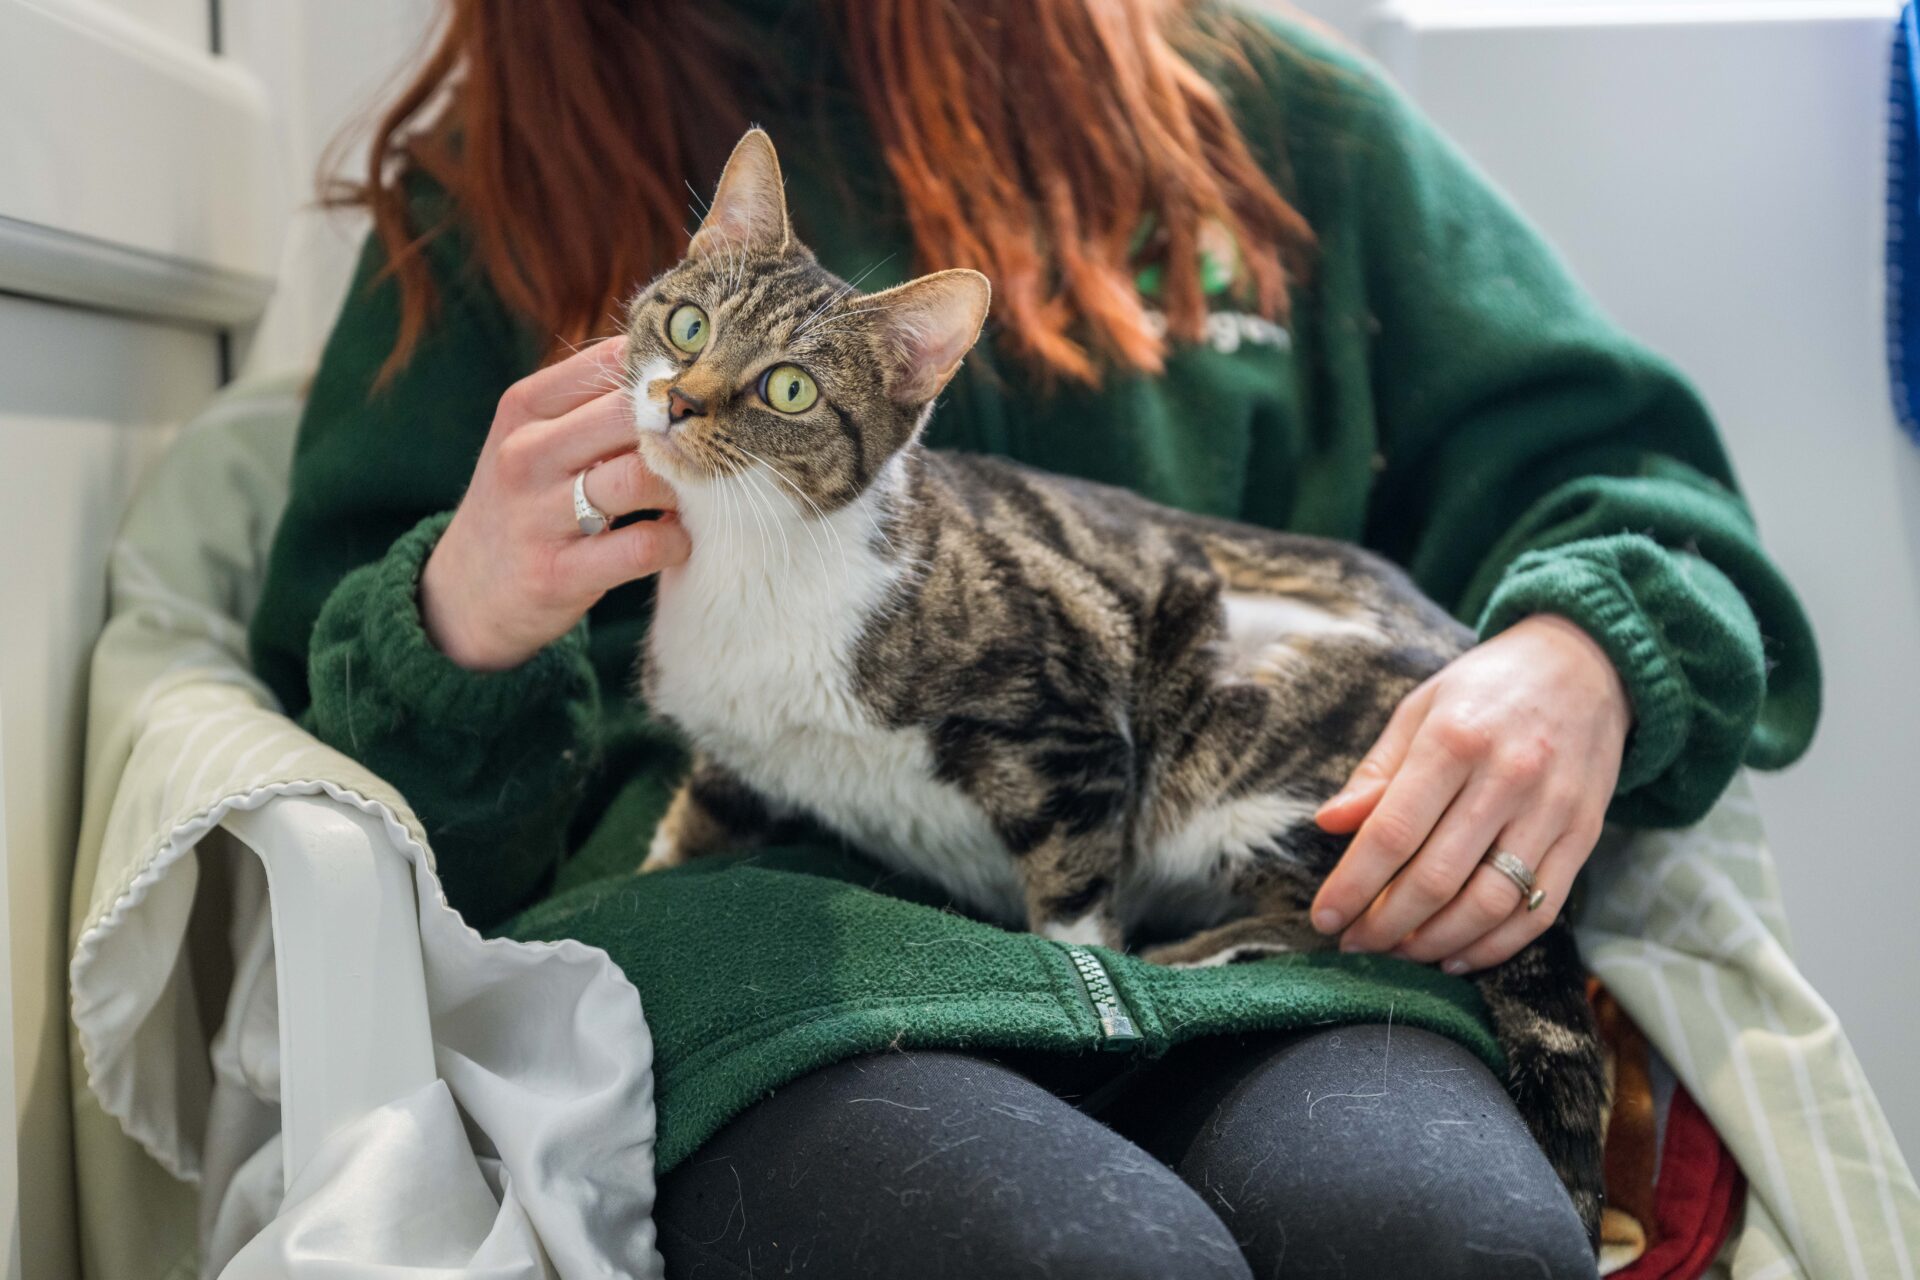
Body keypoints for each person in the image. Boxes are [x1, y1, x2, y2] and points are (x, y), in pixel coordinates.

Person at [248, 2, 1820, 1275]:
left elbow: (1641, 490)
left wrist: (1583, 654)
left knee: (1447, 1243)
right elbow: (330, 771)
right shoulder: (495, 181)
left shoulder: (1265, 112)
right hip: (772, 964)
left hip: (1285, 936)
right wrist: (458, 623)